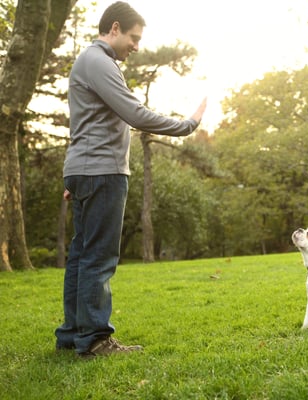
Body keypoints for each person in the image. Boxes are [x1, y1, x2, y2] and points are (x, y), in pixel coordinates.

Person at [55, 1, 208, 357]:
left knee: (80, 256)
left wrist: (74, 176)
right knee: (98, 258)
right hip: (103, 172)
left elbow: (84, 122)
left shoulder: (88, 62)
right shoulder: (100, 62)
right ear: (114, 29)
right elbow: (134, 113)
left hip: (84, 170)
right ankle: (94, 339)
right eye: (133, 38)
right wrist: (186, 126)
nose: (136, 47)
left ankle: (71, 335)